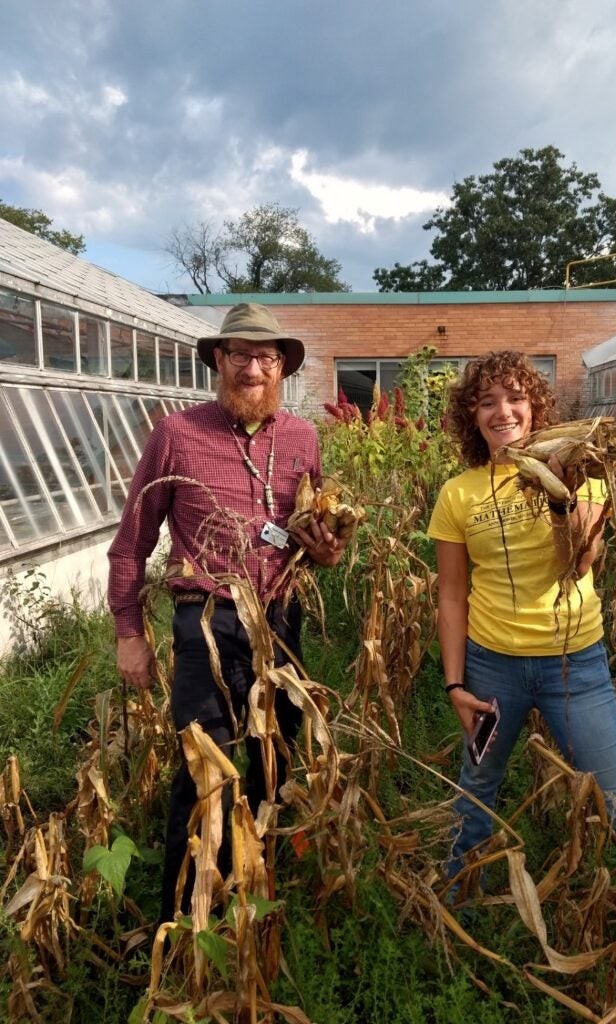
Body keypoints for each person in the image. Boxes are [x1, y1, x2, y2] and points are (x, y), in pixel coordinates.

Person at [427, 351, 616, 1005]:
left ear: (535, 407)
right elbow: (451, 594)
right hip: (491, 672)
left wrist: (560, 495)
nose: (502, 412)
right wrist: (454, 686)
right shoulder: (459, 494)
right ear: (470, 419)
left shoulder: (582, 472)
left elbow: (580, 566)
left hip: (573, 671)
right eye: (486, 404)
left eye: (514, 399)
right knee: (475, 798)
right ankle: (451, 931)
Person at [108, 302, 347, 923]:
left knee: (278, 758)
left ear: (282, 369)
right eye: (240, 355)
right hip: (206, 623)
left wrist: (325, 548)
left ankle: (263, 890)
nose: (254, 369)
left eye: (267, 358)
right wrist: (129, 634)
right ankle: (186, 920)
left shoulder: (302, 437)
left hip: (281, 620)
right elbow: (132, 541)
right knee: (202, 770)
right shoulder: (176, 435)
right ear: (219, 360)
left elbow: (311, 533)